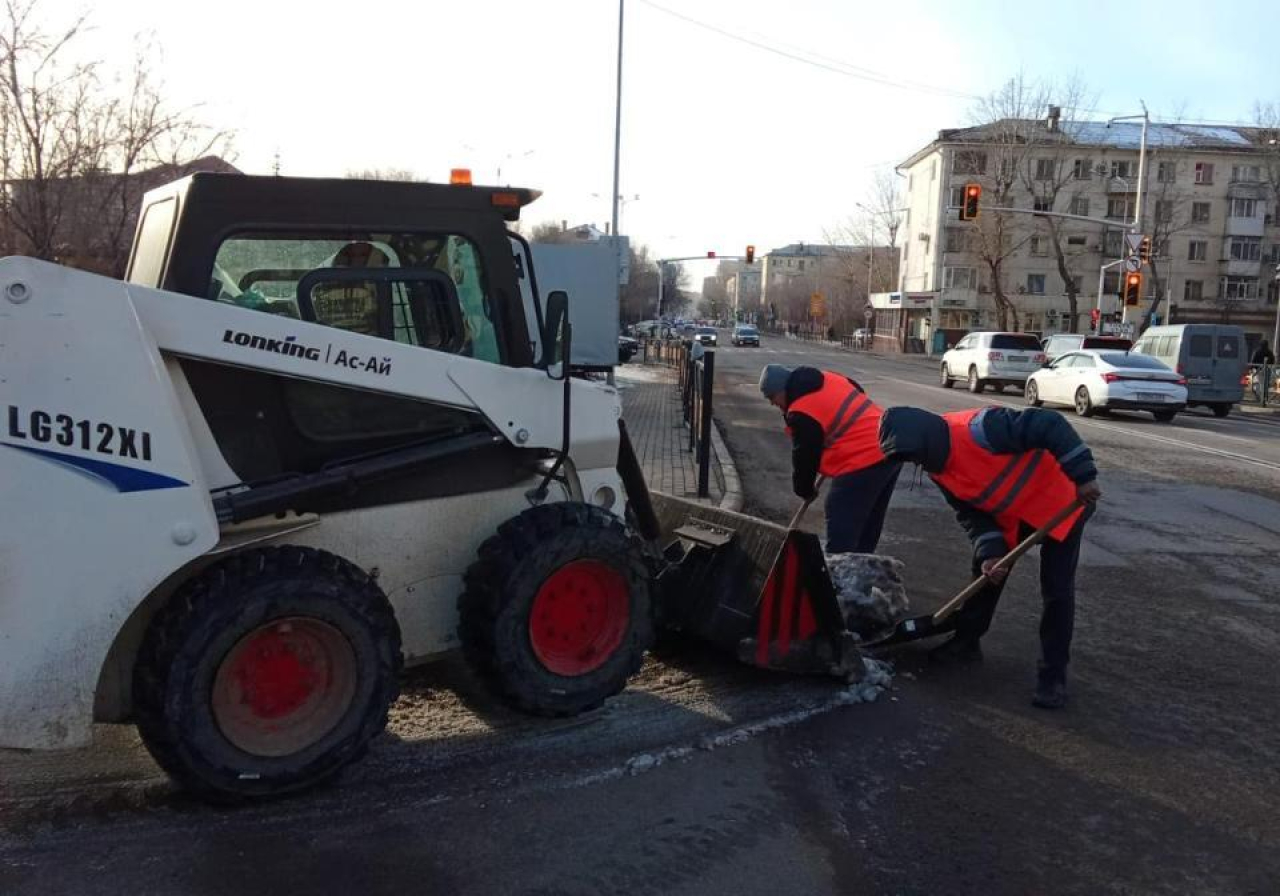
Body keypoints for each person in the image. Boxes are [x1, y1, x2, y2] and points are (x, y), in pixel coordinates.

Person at [873, 404, 1100, 709]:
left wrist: (1084, 475)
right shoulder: (938, 469)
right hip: (1013, 517)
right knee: (985, 575)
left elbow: (1049, 423)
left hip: (1061, 501)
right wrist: (990, 554)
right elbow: (973, 517)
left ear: (926, 442)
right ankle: (967, 642)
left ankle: (1053, 676)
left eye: (915, 456)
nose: (917, 464)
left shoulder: (983, 430)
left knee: (1057, 590)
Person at [758, 364, 902, 554]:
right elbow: (857, 391)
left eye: (771, 397)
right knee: (867, 523)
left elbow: (804, 457)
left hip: (865, 457)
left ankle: (839, 576)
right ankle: (860, 576)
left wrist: (804, 489)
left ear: (782, 390)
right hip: (891, 445)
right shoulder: (829, 377)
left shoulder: (801, 411)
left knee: (840, 513)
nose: (772, 403)